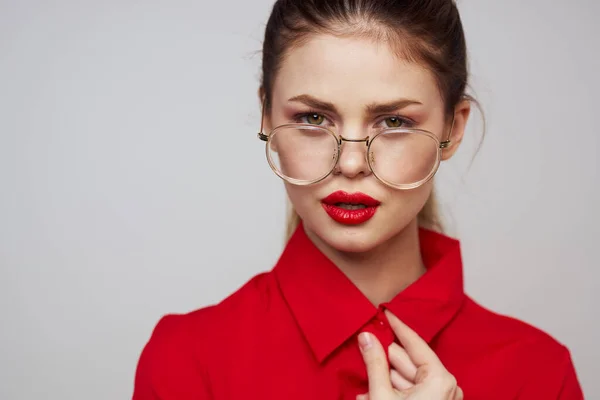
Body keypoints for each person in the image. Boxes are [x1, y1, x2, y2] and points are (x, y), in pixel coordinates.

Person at [132, 0, 584, 399]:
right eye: (312, 117)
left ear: (453, 128)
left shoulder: (539, 374)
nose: (350, 163)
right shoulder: (187, 360)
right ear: (266, 115)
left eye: (392, 122)